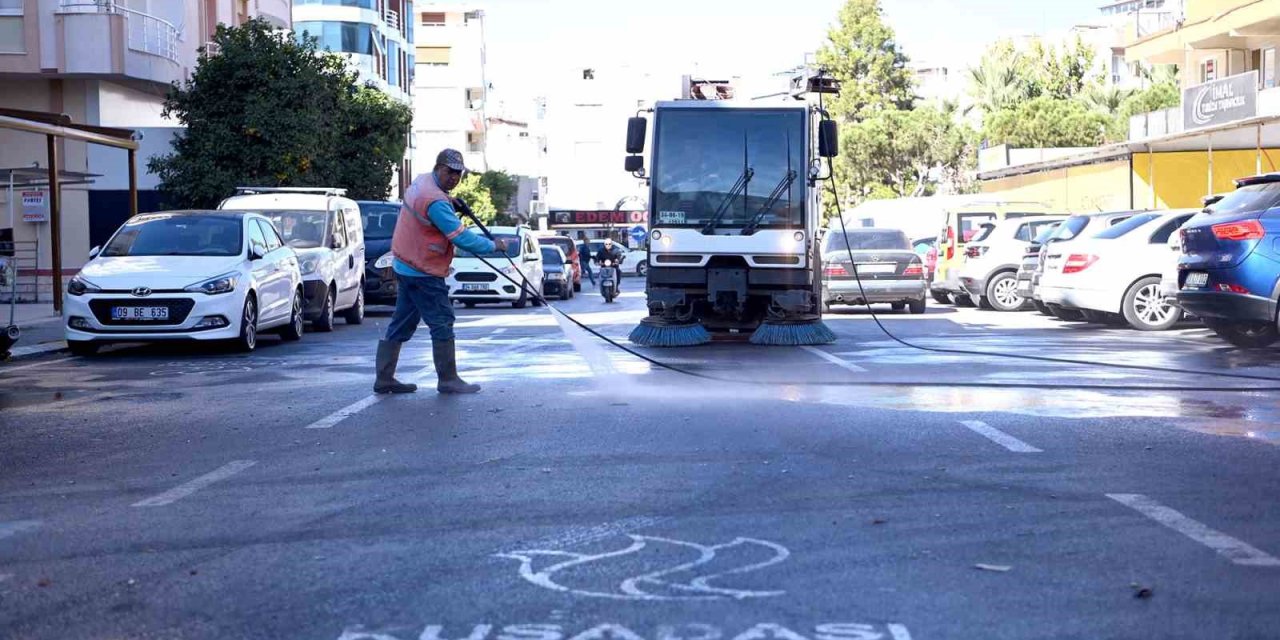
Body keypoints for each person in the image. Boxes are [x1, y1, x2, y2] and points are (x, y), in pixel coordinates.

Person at [374, 149, 508, 395]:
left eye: (458, 174)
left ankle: (384, 378)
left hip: (405, 263)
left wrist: (448, 200)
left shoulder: (421, 182)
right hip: (423, 269)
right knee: (442, 321)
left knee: (403, 320)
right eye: (450, 172)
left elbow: (428, 209)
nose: (454, 178)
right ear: (439, 168)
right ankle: (448, 379)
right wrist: (493, 246)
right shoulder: (435, 200)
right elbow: (461, 237)